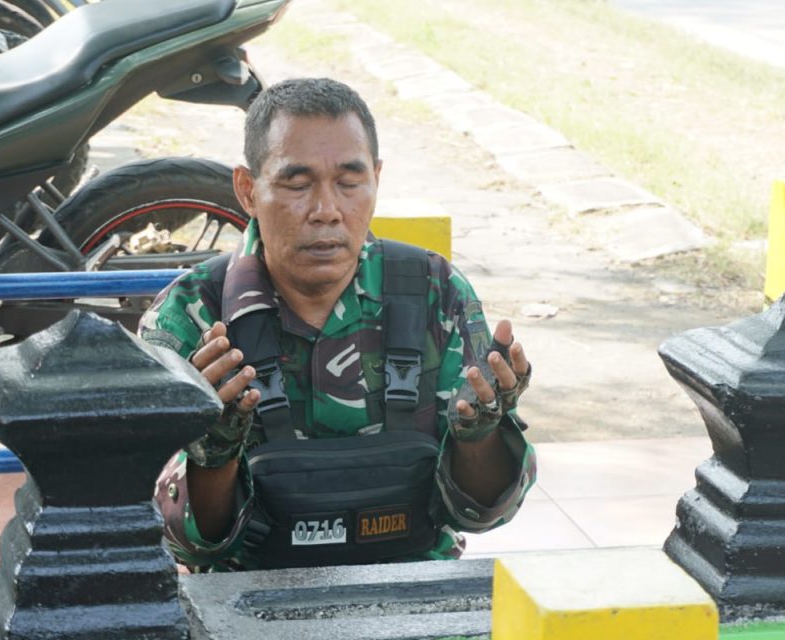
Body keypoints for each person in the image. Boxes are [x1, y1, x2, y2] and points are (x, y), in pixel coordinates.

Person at [138, 77, 536, 571]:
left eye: (349, 183)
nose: (326, 211)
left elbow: (482, 514)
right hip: (244, 598)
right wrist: (214, 451)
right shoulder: (190, 315)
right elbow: (182, 543)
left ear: (376, 178)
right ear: (247, 189)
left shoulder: (436, 292)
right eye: (297, 184)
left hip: (413, 585)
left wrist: (482, 435)